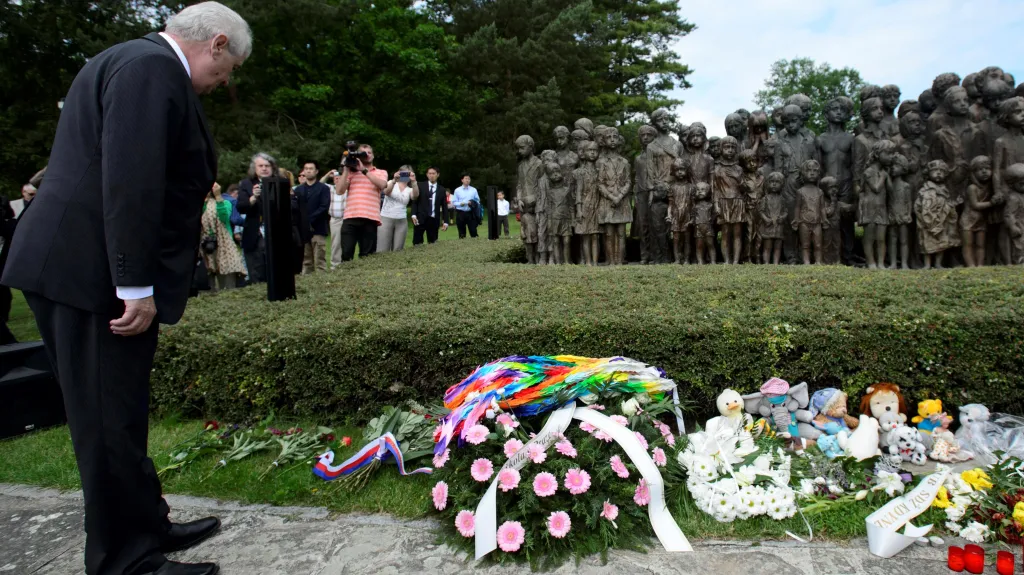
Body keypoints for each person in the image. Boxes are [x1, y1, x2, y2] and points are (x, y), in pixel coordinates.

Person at [0, 3, 251, 575]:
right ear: (216, 43)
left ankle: (147, 524)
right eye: (229, 68)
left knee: (123, 410)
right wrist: (133, 285)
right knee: (106, 420)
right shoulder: (150, 67)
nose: (225, 81)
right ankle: (125, 559)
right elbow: (130, 181)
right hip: (91, 272)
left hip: (86, 265)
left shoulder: (133, 60)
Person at [334, 143, 388, 261]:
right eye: (364, 153)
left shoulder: (381, 172)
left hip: (370, 218)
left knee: (367, 257)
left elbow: (382, 185)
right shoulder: (351, 173)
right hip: (351, 217)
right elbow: (339, 191)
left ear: (373, 155)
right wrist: (346, 169)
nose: (367, 155)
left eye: (369, 152)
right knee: (346, 255)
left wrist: (363, 170)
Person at [236, 152, 276, 283]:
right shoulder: (246, 184)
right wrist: (253, 198)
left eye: (267, 166)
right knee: (256, 270)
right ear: (254, 168)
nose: (264, 168)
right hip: (254, 232)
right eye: (261, 166)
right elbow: (241, 207)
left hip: (275, 232)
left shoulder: (278, 182)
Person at [200, 183, 246, 290]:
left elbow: (224, 218)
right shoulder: (200, 205)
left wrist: (218, 196)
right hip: (205, 246)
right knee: (208, 282)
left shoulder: (226, 203)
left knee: (227, 282)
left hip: (224, 245)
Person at [293, 161, 331, 273]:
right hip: (303, 230)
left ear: (316, 171)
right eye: (306, 169)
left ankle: (321, 280)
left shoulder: (323, 188)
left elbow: (324, 206)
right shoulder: (298, 189)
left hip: (318, 227)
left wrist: (309, 218)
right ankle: (307, 280)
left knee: (319, 258)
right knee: (306, 260)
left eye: (311, 168)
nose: (308, 171)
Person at [378, 165, 416, 252]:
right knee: (382, 249)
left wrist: (414, 182)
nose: (405, 176)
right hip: (386, 218)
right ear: (399, 173)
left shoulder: (409, 189)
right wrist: (394, 180)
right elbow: (386, 192)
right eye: (403, 173)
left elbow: (415, 196)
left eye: (408, 174)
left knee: (398, 249)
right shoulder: (391, 183)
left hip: (401, 220)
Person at [411, 166, 449, 244]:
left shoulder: (442, 190)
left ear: (438, 175)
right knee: (417, 243)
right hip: (420, 218)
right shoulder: (420, 186)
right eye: (430, 173)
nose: (431, 175)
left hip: (434, 219)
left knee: (433, 243)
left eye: (433, 173)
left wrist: (445, 221)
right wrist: (413, 214)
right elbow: (415, 201)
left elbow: (444, 206)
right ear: (427, 175)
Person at [453, 173, 480, 238]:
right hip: (460, 213)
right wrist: (461, 203)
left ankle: (475, 242)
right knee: (461, 232)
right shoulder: (457, 190)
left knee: (473, 231)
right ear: (462, 180)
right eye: (466, 178)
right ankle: (462, 242)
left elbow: (478, 200)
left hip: (471, 213)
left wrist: (472, 202)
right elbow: (454, 202)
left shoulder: (473, 190)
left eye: (469, 179)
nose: (467, 180)